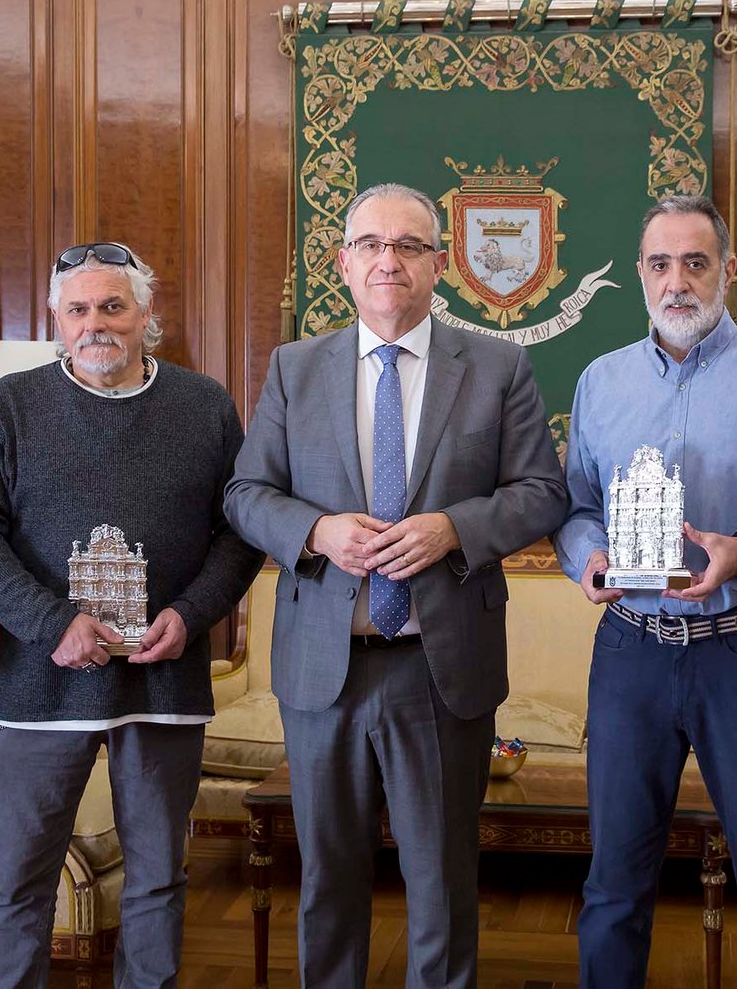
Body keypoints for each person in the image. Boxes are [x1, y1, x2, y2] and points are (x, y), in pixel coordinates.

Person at [224, 183, 567, 987]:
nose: (389, 260)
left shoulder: (496, 365)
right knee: (329, 883)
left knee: (442, 886)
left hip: (440, 667)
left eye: (409, 246)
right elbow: (246, 494)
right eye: (372, 245)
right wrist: (316, 531)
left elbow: (542, 492)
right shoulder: (294, 368)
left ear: (438, 265)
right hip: (324, 668)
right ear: (343, 263)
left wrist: (456, 529)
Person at [0, 242, 261, 989]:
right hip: (42, 685)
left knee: (158, 879)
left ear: (146, 315)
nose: (96, 324)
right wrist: (53, 624)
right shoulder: (12, 405)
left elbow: (240, 530)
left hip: (165, 681)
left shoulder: (204, 403)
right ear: (56, 319)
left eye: (113, 306)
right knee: (21, 883)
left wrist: (191, 613)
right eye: (78, 309)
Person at [555, 195, 737, 987]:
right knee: (613, 885)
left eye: (695, 262)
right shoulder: (601, 381)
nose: (677, 281)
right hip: (631, 654)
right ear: (640, 274)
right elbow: (575, 505)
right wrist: (589, 557)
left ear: (727, 270)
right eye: (659, 264)